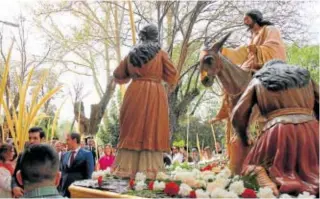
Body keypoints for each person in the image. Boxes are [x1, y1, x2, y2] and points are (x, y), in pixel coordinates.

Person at [231, 60, 319, 196]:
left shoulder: (258, 79)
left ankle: (258, 172)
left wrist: (244, 137)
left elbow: (238, 114)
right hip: (312, 129)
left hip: (276, 132)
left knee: (255, 167)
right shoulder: (305, 76)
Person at [112, 24, 179, 179]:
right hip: (155, 93)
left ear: (142, 36)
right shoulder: (161, 53)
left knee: (131, 129)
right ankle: (149, 171)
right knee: (152, 129)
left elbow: (118, 75)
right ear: (155, 37)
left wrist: (133, 76)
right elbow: (172, 76)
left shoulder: (131, 55)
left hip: (134, 93)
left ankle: (126, 169)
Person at [222, 9, 286, 71]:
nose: (245, 22)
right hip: (250, 66)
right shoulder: (253, 36)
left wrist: (257, 49)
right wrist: (222, 51)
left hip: (268, 67)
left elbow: (274, 48)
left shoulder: (270, 29)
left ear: (255, 18)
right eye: (244, 20)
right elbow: (242, 54)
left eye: (247, 19)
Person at [12, 126, 46, 198]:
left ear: (42, 139)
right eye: (30, 138)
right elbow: (14, 176)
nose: (31, 141)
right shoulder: (22, 155)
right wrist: (14, 187)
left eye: (35, 138)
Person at [60, 132, 94, 197]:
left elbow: (89, 175)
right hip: (64, 192)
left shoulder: (87, 154)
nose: (66, 142)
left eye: (68, 140)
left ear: (74, 140)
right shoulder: (65, 155)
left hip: (78, 191)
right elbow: (62, 172)